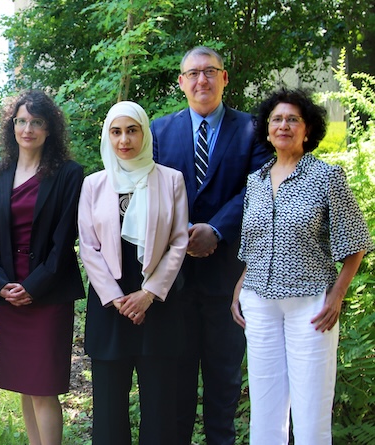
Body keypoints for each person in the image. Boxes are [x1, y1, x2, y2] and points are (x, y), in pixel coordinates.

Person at [231, 88, 373, 444]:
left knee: (311, 409)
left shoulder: (327, 177)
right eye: (277, 119)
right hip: (259, 303)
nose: (284, 125)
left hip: (310, 305)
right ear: (267, 130)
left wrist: (337, 296)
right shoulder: (256, 181)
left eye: (293, 119)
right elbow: (254, 244)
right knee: (265, 407)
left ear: (307, 130)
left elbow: (355, 243)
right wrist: (240, 288)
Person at [150, 46, 272, 445]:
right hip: (174, 280)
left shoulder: (254, 129)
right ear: (181, 82)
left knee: (223, 385)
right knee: (177, 388)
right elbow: (147, 190)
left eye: (210, 71)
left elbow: (259, 187)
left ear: (224, 78)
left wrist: (216, 229)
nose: (202, 80)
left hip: (229, 280)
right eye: (193, 73)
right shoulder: (159, 130)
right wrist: (183, 231)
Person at [78, 101, 189, 444]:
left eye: (131, 130)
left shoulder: (171, 180)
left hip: (157, 304)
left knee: (159, 405)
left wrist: (149, 293)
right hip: (111, 306)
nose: (124, 139)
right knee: (109, 408)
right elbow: (88, 246)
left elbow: (179, 241)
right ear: (107, 137)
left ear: (144, 133)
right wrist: (116, 298)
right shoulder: (94, 184)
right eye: (116, 132)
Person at [0, 90, 85, 445]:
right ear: (12, 126)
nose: (28, 129)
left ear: (49, 128)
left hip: (49, 292)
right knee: (25, 386)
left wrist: (34, 286)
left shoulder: (69, 175)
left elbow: (63, 239)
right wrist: (1, 285)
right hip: (9, 293)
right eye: (21, 121)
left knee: (43, 388)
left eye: (36, 122)